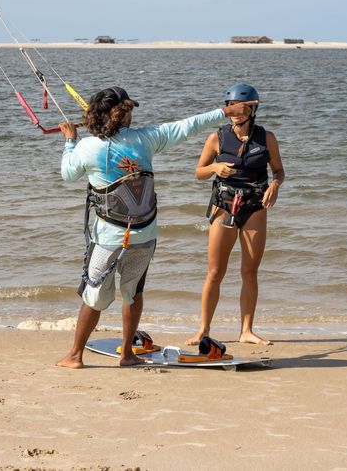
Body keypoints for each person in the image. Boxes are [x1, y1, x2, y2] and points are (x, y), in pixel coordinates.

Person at [55, 86, 256, 369]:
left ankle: (75, 356)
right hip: (144, 234)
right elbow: (188, 125)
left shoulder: (88, 147)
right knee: (133, 293)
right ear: (122, 114)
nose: (132, 115)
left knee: (93, 295)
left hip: (108, 237)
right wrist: (225, 111)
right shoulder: (146, 139)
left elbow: (67, 174)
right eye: (129, 110)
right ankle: (127, 354)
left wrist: (70, 141)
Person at [185, 83, 284, 347]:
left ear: (253, 109)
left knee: (250, 272)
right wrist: (215, 167)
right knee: (215, 271)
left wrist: (275, 185)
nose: (235, 112)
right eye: (231, 107)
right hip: (224, 205)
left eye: (241, 108)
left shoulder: (267, 138)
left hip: (254, 207)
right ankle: (203, 330)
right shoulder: (216, 138)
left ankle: (247, 331)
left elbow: (278, 171)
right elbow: (199, 172)